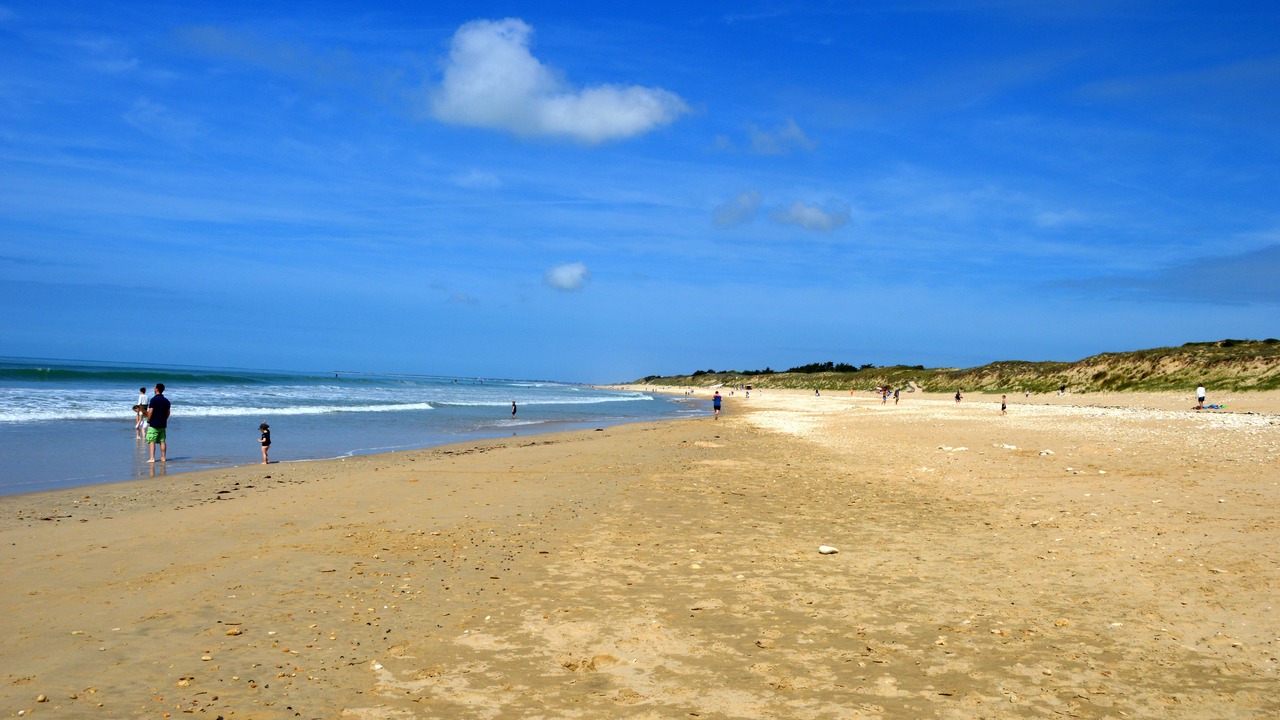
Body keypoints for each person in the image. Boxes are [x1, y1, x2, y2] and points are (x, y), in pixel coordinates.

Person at [145, 383, 171, 463]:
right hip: (163, 424)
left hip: (154, 423)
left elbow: (150, 411)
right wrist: (164, 419)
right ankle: (163, 457)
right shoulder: (166, 401)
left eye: (154, 387)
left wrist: (148, 420)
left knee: (151, 440)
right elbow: (168, 413)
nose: (154, 388)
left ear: (156, 389)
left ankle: (152, 458)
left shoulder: (153, 400)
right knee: (162, 441)